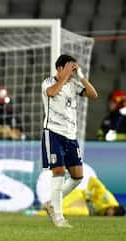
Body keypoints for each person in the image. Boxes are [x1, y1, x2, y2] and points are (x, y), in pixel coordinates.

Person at [41, 54, 98, 228]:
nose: (72, 71)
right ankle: (59, 217)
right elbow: (51, 93)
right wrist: (64, 76)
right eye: (69, 67)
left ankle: (51, 203)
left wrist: (80, 76)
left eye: (74, 68)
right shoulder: (48, 82)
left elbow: (93, 94)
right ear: (59, 68)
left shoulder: (74, 84)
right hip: (53, 133)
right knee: (58, 171)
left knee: (77, 177)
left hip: (70, 136)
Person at [36, 176, 125, 217]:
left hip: (87, 209)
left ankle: (47, 212)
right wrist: (88, 195)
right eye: (111, 213)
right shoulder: (107, 198)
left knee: (81, 212)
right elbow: (92, 180)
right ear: (113, 207)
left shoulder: (105, 213)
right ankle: (48, 208)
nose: (109, 216)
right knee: (62, 204)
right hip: (81, 196)